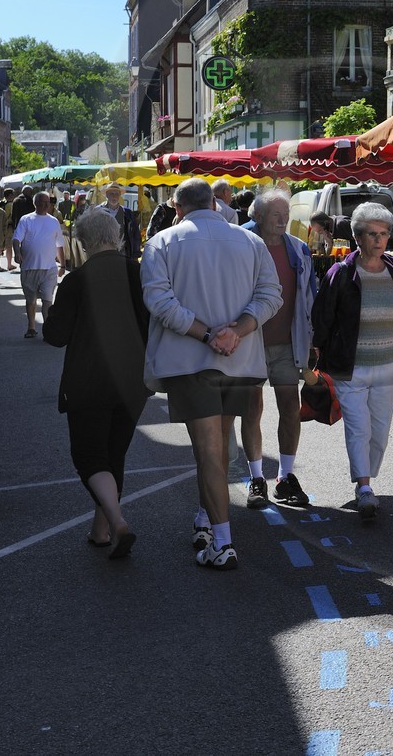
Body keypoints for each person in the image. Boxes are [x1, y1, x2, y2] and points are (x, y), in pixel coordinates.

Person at [142, 177, 280, 569]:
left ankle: (221, 540)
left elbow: (159, 301)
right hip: (240, 361)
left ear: (177, 207)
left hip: (192, 363)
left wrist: (207, 334)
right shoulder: (250, 241)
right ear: (216, 206)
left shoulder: (163, 243)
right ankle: (208, 520)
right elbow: (272, 296)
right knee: (218, 449)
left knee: (209, 453)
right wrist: (234, 332)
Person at [43, 209, 151, 560]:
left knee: (89, 456)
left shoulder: (76, 280)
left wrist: (48, 314)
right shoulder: (138, 274)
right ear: (117, 236)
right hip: (133, 380)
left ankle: (117, 522)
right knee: (113, 453)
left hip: (88, 380)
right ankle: (101, 530)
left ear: (83, 242)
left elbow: (56, 337)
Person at [311, 202, 393, 522]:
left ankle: (367, 475)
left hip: (388, 362)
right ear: (357, 237)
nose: (380, 240)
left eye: (385, 234)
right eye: (373, 234)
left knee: (380, 430)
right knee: (358, 427)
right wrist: (319, 351)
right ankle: (364, 487)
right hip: (350, 363)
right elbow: (322, 315)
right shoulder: (340, 273)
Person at [240, 188, 318, 508]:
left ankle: (285, 477)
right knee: (252, 408)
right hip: (251, 343)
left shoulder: (297, 249)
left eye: (286, 214)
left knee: (290, 405)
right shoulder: (240, 243)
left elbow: (309, 298)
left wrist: (312, 341)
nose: (284, 220)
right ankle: (256, 477)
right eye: (276, 215)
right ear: (257, 216)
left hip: (287, 342)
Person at [13, 192, 67, 339]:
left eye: (48, 202)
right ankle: (31, 327)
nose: (46, 204)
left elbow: (60, 245)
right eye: (43, 202)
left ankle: (47, 331)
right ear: (35, 204)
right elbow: (16, 239)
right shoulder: (26, 220)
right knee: (31, 301)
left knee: (47, 300)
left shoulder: (54, 221)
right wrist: (17, 252)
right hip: (29, 268)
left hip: (49, 268)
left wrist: (62, 265)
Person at [92, 183, 143, 260]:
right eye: (111, 193)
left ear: (119, 196)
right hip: (103, 254)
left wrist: (136, 253)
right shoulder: (97, 212)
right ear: (107, 195)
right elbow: (90, 232)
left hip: (123, 255)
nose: (114, 196)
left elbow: (135, 233)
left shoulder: (127, 213)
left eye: (116, 194)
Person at [0, 189, 19, 272]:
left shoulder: (1, 203)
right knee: (9, 246)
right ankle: (9, 264)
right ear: (10, 195)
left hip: (0, 227)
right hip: (9, 228)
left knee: (0, 246)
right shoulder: (11, 205)